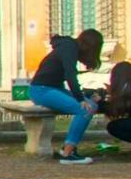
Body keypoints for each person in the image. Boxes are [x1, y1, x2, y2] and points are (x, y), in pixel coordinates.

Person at [27, 27, 104, 164]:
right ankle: (68, 153)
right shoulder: (69, 48)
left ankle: (66, 149)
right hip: (41, 90)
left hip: (53, 88)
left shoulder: (70, 46)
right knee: (85, 109)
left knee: (91, 105)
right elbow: (70, 75)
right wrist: (80, 99)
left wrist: (85, 95)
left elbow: (70, 76)